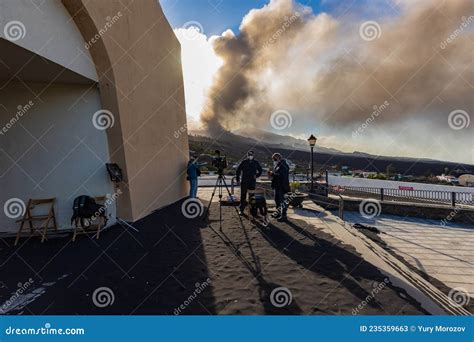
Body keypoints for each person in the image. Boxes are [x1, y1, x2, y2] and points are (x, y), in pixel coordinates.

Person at [236, 150, 262, 215]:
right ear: (247, 155)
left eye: (251, 155)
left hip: (252, 182)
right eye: (249, 155)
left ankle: (252, 210)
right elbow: (238, 170)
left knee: (252, 196)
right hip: (244, 181)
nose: (250, 156)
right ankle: (241, 210)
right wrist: (237, 179)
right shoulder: (244, 162)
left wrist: (257, 175)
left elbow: (260, 170)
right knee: (243, 196)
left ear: (253, 155)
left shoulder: (256, 162)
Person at [269, 153, 290, 222]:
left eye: (274, 159)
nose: (274, 160)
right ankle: (278, 213)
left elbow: (282, 176)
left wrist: (273, 174)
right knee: (277, 200)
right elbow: (277, 174)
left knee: (282, 201)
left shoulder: (284, 165)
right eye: (273, 159)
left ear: (278, 158)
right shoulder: (277, 165)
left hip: (282, 186)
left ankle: (284, 215)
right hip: (277, 186)